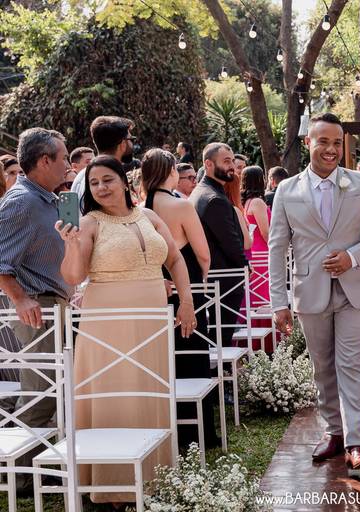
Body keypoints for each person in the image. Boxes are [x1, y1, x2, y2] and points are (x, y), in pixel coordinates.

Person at [56, 155, 196, 504]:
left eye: (107, 180)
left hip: (152, 319)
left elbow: (175, 259)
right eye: (94, 183)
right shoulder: (88, 223)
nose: (101, 188)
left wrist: (186, 301)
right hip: (108, 323)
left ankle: (155, 476)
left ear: (123, 181)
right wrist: (70, 244)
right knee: (114, 395)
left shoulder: (149, 216)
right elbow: (73, 276)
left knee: (150, 391)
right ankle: (114, 485)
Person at [269, 113, 360, 470]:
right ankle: (333, 433)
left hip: (355, 290)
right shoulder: (287, 190)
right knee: (322, 367)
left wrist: (353, 256)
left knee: (351, 363)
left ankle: (356, 442)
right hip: (310, 290)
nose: (331, 149)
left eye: (337, 143)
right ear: (308, 142)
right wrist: (278, 302)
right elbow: (277, 248)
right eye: (323, 141)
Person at [0, 129, 72, 466]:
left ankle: (41, 467)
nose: (68, 165)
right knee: (39, 397)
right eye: (64, 158)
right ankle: (22, 476)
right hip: (37, 308)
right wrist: (20, 298)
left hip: (56, 304)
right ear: (44, 161)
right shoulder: (22, 201)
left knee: (52, 393)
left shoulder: (51, 199)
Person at [140, 148, 218, 450]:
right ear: (171, 171)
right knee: (192, 358)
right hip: (187, 291)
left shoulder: (139, 209)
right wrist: (201, 280)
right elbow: (203, 253)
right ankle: (197, 434)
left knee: (163, 362)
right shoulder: (180, 206)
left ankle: (165, 429)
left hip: (154, 293)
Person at [190, 143, 248, 347]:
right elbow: (230, 242)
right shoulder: (213, 198)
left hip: (216, 279)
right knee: (220, 342)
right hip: (223, 280)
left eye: (232, 161)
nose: (231, 166)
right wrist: (245, 265)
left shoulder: (203, 192)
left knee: (218, 340)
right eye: (226, 161)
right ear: (208, 164)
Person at [71, 116, 136, 199]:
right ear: (123, 144)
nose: (132, 144)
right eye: (131, 139)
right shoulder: (108, 179)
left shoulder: (84, 175)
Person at [242, 166, 270, 307]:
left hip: (254, 252)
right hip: (263, 253)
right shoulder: (257, 202)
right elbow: (265, 232)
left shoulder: (246, 202)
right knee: (263, 295)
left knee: (256, 293)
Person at [223, 172, 253, 254]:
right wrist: (251, 234)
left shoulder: (221, 208)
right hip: (242, 256)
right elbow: (247, 244)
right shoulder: (235, 210)